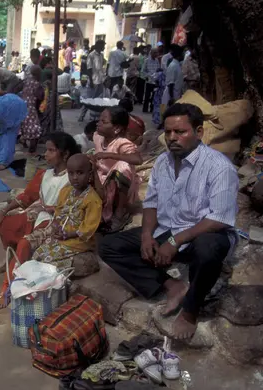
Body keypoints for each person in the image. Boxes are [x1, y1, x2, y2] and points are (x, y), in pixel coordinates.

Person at [99, 103, 238, 340]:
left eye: (180, 132)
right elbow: (151, 203)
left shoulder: (219, 167)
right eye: (168, 132)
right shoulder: (163, 162)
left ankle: (191, 310)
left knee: (209, 250)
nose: (172, 137)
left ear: (199, 132)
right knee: (108, 246)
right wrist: (146, 236)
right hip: (169, 229)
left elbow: (219, 218)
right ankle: (171, 285)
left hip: (201, 233)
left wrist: (175, 241)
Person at [0, 133, 80, 310]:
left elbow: (76, 205)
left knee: (25, 242)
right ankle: (14, 261)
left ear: (66, 154)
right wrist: (4, 210)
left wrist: (52, 209)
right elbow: (27, 196)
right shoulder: (44, 174)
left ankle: (6, 288)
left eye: (51, 150)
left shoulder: (73, 177)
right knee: (5, 223)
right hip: (42, 214)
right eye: (46, 150)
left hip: (58, 221)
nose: (45, 154)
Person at [30, 154, 102, 267]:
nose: (75, 177)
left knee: (47, 261)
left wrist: (69, 234)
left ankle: (64, 280)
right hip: (61, 237)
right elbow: (58, 212)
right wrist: (56, 228)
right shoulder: (65, 191)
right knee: (36, 255)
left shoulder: (92, 199)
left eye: (80, 173)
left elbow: (89, 228)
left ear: (89, 174)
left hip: (78, 242)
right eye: (71, 173)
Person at [92, 106, 142, 233]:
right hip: (102, 179)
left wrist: (110, 155)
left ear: (117, 128)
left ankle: (119, 215)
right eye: (99, 120)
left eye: (104, 122)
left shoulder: (122, 142)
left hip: (118, 183)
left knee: (123, 166)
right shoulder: (97, 137)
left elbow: (137, 159)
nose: (98, 123)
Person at [19, 65, 45, 154]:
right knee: (35, 128)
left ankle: (23, 140)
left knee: (25, 125)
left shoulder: (26, 81)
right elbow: (40, 96)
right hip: (31, 108)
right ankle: (32, 148)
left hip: (22, 105)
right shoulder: (37, 84)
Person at [142, 47, 160, 113]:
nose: (156, 54)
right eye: (155, 52)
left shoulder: (157, 60)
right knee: (147, 96)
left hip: (155, 81)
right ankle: (145, 109)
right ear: (151, 53)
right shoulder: (146, 60)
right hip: (149, 81)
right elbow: (143, 70)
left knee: (154, 96)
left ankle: (152, 109)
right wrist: (146, 76)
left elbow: (158, 70)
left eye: (156, 52)